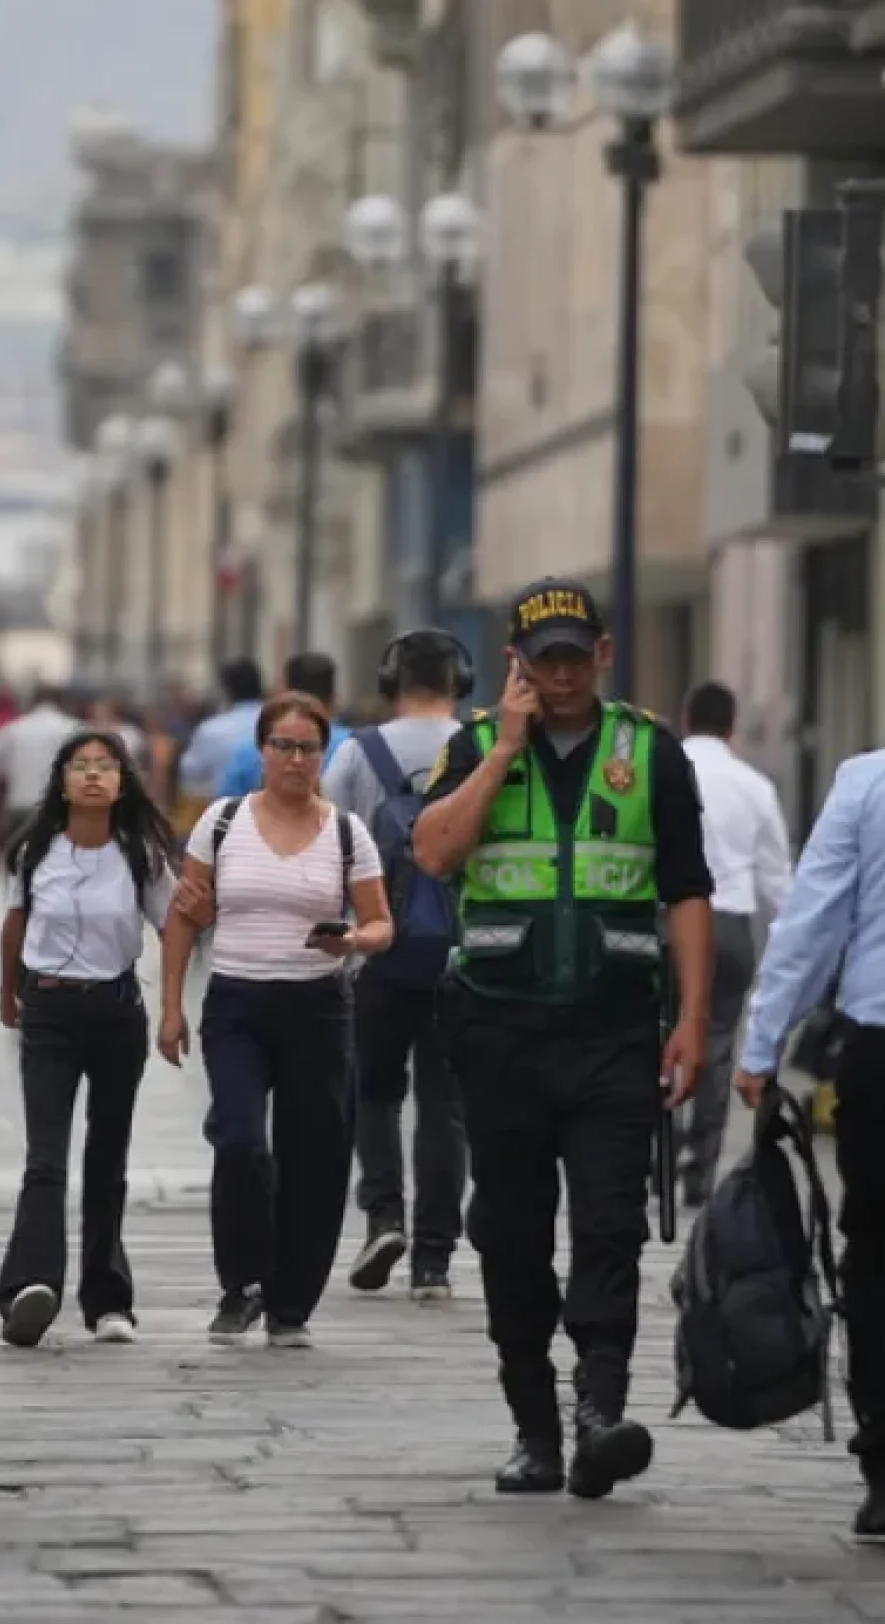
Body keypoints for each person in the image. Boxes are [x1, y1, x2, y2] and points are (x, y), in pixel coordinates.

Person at [412, 578, 713, 1501]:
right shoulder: (470, 746)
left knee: (613, 1223)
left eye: (579, 656)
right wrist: (503, 748)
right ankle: (535, 1426)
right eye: (547, 660)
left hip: (616, 1033)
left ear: (606, 654)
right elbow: (432, 852)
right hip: (499, 1032)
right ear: (517, 666)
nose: (566, 674)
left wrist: (695, 1021)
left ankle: (600, 1411)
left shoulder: (652, 753)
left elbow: (688, 890)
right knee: (509, 1234)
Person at [160, 691, 390, 1345]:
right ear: (260, 752)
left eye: (308, 748)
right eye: (282, 746)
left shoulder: (348, 833)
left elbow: (381, 924)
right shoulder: (223, 822)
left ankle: (292, 1304)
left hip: (317, 1008)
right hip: (236, 1002)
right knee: (238, 1141)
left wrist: (351, 940)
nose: (294, 759)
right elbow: (184, 913)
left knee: (314, 1157)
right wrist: (171, 1006)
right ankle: (244, 1283)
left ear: (324, 755)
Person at [735, 749, 885, 1539]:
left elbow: (814, 920)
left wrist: (762, 1043)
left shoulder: (867, 783)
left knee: (876, 1248)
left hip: (880, 1049)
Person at [0, 730, 176, 1349]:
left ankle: (107, 1299)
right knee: (45, 1156)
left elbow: (175, 925)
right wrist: (5, 992)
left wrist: (175, 1005)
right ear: (62, 780)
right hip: (48, 1010)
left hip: (117, 1011)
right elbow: (14, 923)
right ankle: (30, 1285)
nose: (94, 776)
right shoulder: (35, 851)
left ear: (122, 780)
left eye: (106, 766)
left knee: (107, 1158)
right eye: (81, 766)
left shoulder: (140, 853)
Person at [325, 629, 470, 1301]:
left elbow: (329, 850)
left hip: (378, 955)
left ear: (390, 682)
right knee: (446, 1107)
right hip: (465, 956)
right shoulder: (486, 748)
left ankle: (384, 1216)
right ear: (459, 682)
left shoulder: (360, 753)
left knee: (376, 1094)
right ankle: (435, 1260)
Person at [678, 681, 791, 1208]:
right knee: (718, 1044)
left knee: (653, 1032)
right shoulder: (755, 786)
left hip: (669, 920)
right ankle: (700, 1170)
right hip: (730, 925)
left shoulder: (665, 768)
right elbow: (776, 883)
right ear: (731, 729)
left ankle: (657, 1149)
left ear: (685, 720)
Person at [216, 653, 351, 797]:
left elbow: (229, 805)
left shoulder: (254, 750)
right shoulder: (354, 748)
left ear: (284, 693)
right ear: (334, 698)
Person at [0, 687, 81, 860]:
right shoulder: (73, 728)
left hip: (19, 806)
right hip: (59, 809)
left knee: (20, 867)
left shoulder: (12, 730)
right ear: (61, 703)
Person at [173, 659, 263, 834]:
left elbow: (190, 775)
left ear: (227, 691)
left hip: (225, 823)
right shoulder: (278, 723)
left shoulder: (211, 730)